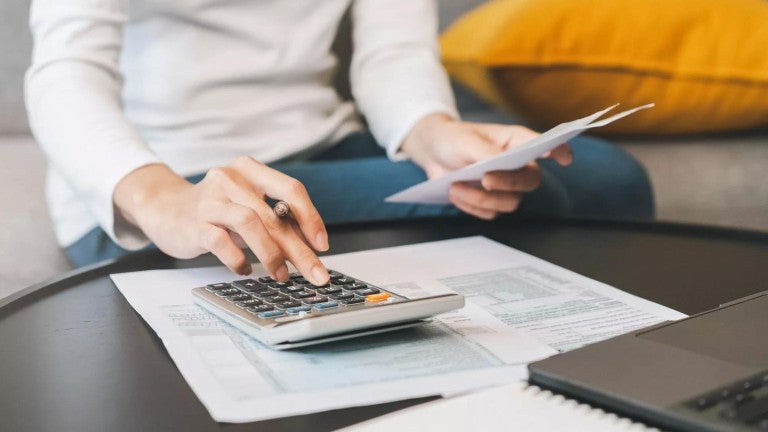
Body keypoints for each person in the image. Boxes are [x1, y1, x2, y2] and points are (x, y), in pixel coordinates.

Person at [25, 0, 653, 286]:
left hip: (318, 142)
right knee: (546, 200)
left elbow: (392, 51)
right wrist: (162, 199)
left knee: (609, 177)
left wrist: (432, 131)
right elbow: (65, 72)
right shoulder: (156, 190)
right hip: (162, 181)